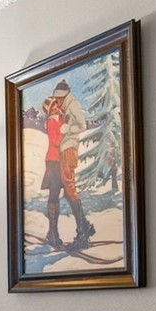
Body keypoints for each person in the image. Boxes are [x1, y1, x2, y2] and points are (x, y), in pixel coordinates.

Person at [40, 80, 94, 248]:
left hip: (61, 157)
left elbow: (80, 125)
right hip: (54, 160)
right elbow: (56, 140)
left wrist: (66, 128)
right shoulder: (53, 120)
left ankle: (82, 228)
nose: (57, 105)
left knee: (66, 190)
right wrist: (63, 128)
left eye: (58, 102)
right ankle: (69, 230)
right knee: (57, 193)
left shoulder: (67, 110)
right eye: (54, 104)